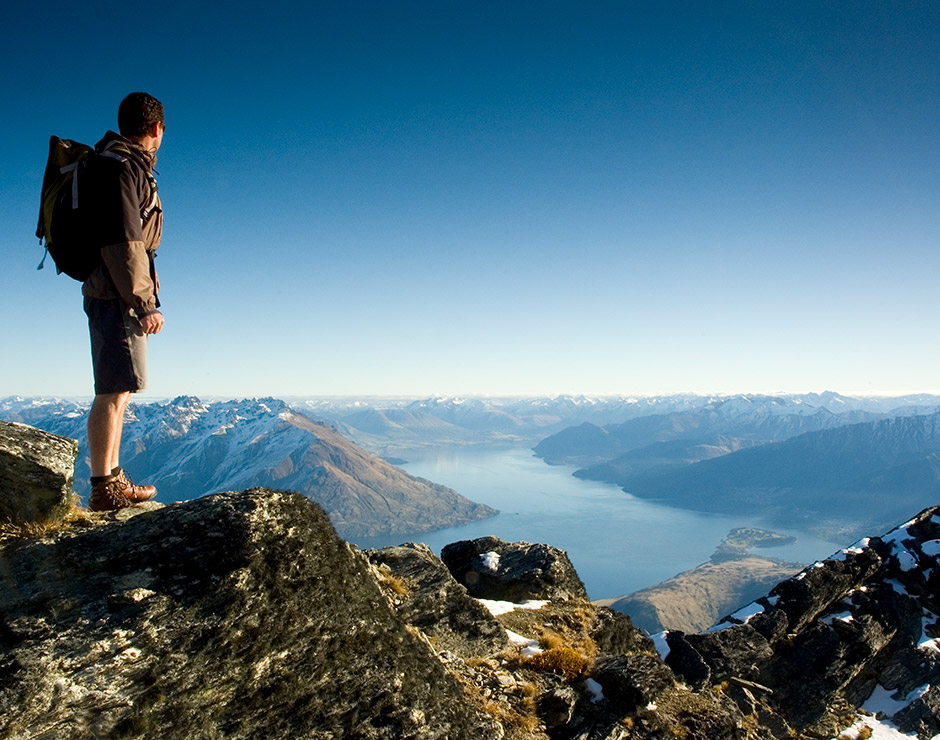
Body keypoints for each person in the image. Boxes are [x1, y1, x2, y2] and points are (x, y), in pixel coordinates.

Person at [84, 92, 166, 511]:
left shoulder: (115, 164)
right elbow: (126, 244)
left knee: (120, 388)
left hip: (112, 291)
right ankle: (104, 486)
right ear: (156, 129)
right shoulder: (121, 168)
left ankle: (112, 478)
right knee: (114, 389)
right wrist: (144, 302)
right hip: (117, 295)